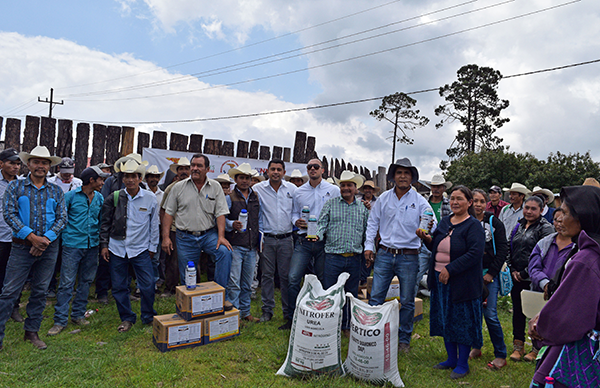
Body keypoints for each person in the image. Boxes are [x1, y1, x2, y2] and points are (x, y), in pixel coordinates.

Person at [528, 185, 600, 387]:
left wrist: (540, 327)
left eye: (566, 213)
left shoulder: (586, 259)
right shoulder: (590, 250)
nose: (560, 218)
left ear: (583, 217)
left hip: (576, 348)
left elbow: (571, 316)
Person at [365, 158, 435, 353]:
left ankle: (403, 339)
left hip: (409, 256)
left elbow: (432, 224)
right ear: (393, 176)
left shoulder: (420, 201)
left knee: (407, 300)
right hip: (385, 253)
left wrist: (427, 229)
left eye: (406, 173)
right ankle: (373, 333)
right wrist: (368, 246)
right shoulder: (384, 199)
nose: (403, 176)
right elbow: (372, 224)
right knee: (376, 296)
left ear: (412, 177)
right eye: (399, 173)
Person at [0, 146, 66, 350]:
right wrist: (31, 237)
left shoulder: (56, 190)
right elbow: (9, 214)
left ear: (49, 166)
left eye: (44, 162)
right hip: (21, 248)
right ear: (28, 164)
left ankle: (32, 332)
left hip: (48, 249)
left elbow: (62, 217)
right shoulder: (16, 187)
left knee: (40, 291)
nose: (40, 166)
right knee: (9, 292)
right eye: (36, 162)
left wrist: (44, 240)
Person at [417, 186, 485, 379]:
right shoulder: (446, 221)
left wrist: (450, 269)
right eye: (452, 198)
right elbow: (437, 246)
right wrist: (427, 239)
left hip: (461, 284)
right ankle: (451, 359)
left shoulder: (473, 226)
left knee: (461, 322)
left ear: (469, 203)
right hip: (440, 280)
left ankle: (463, 363)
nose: (455, 202)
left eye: (460, 199)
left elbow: (475, 253)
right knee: (446, 319)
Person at [162, 154, 233, 307]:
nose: (194, 168)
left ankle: (220, 296)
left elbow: (220, 213)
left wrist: (221, 236)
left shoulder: (215, 187)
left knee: (224, 252)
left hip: (208, 235)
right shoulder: (178, 187)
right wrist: (166, 238)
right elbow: (168, 213)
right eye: (192, 165)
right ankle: (190, 307)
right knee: (188, 275)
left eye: (199, 166)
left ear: (207, 169)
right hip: (185, 237)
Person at [48, 166, 110, 335]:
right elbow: (60, 218)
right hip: (72, 245)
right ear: (92, 180)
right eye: (100, 179)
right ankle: (60, 320)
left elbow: (100, 220)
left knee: (86, 281)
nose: (103, 183)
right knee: (66, 283)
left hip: (92, 245)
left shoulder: (99, 198)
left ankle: (77, 314)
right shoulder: (69, 197)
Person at [99, 160, 159, 332]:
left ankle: (148, 316)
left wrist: (152, 247)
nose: (130, 180)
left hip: (140, 249)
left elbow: (154, 225)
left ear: (140, 178)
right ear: (123, 178)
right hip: (117, 248)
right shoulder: (115, 197)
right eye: (127, 176)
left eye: (134, 176)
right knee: (119, 286)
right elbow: (105, 223)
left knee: (148, 285)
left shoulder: (150, 198)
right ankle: (126, 318)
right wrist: (104, 245)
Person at [286, 158, 340, 330]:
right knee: (293, 278)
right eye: (309, 167)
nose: (313, 169)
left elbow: (338, 212)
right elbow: (293, 213)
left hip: (324, 242)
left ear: (323, 170)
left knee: (324, 279)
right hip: (303, 241)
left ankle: (322, 316)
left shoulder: (333, 190)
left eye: (316, 167)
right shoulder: (299, 191)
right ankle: (292, 317)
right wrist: (296, 222)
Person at [314, 171, 369, 336]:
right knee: (330, 293)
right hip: (333, 257)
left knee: (350, 294)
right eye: (343, 185)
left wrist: (369, 251)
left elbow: (368, 232)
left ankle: (346, 326)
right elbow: (322, 223)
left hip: (354, 258)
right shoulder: (331, 204)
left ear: (355, 188)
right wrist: (317, 234)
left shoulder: (363, 209)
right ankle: (330, 326)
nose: (346, 188)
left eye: (349, 185)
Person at [506, 195, 554, 362]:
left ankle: (536, 348)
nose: (529, 211)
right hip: (516, 276)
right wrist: (513, 270)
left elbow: (544, 254)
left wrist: (525, 273)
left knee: (536, 313)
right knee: (518, 311)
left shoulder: (546, 228)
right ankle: (518, 346)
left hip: (535, 278)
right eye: (527, 207)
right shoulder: (518, 226)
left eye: (534, 209)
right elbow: (509, 247)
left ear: (541, 210)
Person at [96, 153, 148, 304]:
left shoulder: (142, 187)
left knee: (128, 266)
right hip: (114, 232)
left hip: (132, 236)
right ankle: (102, 292)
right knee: (105, 264)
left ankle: (124, 291)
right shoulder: (111, 182)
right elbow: (104, 204)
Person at [253, 159, 296, 323]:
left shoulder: (292, 189)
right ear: (267, 171)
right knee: (267, 276)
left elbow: (298, 210)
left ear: (284, 172)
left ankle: (288, 312)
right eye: (273, 169)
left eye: (279, 169)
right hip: (267, 239)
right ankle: (267, 311)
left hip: (286, 239)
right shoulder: (258, 189)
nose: (276, 172)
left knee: (286, 277)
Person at [470, 189, 509, 370]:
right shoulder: (466, 221)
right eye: (474, 200)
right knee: (473, 312)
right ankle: (476, 346)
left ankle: (500, 354)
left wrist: (491, 273)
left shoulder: (494, 222)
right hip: (470, 273)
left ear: (486, 203)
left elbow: (502, 249)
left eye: (481, 201)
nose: (477, 204)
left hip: (488, 274)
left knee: (490, 314)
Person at [225, 163, 261, 323]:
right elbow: (221, 217)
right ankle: (234, 314)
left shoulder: (256, 197)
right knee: (234, 282)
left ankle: (245, 312)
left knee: (247, 282)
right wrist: (231, 224)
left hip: (252, 246)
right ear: (236, 179)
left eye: (247, 178)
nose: (245, 181)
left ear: (251, 180)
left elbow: (259, 219)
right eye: (242, 178)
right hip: (235, 245)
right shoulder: (229, 197)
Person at [159, 157, 191, 297]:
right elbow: (163, 210)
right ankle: (170, 289)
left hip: (192, 230)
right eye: (181, 169)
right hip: (174, 229)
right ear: (177, 172)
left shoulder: (197, 187)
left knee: (191, 261)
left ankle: (190, 288)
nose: (184, 171)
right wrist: (164, 233)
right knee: (173, 261)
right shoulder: (171, 188)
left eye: (186, 168)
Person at [417, 174, 452, 297]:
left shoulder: (449, 204)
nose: (436, 189)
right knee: (418, 272)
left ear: (444, 188)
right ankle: (413, 300)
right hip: (423, 244)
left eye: (439, 187)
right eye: (434, 186)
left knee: (442, 273)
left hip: (441, 245)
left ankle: (440, 297)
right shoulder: (423, 203)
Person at [0, 148, 24, 323]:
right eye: (11, 163)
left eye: (18, 164)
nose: (16, 167)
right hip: (0, 235)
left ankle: (14, 307)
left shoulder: (22, 184)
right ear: (1, 163)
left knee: (16, 275)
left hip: (17, 236)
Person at [145, 165, 165, 287]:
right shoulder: (142, 193)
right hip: (143, 228)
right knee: (142, 257)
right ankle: (141, 283)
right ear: (146, 179)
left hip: (157, 227)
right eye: (151, 176)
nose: (154, 179)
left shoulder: (162, 195)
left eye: (156, 176)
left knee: (155, 257)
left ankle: (154, 282)